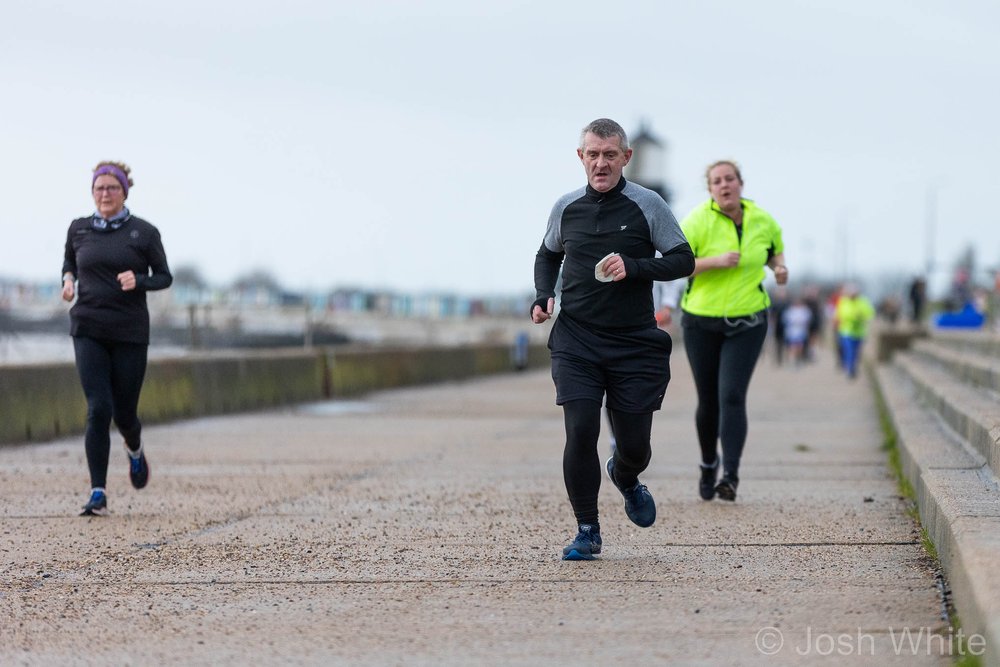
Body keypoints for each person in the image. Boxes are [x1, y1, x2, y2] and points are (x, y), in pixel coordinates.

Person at [532, 118, 694, 560]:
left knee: (636, 447)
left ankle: (625, 476)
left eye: (609, 154)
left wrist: (636, 266)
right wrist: (544, 295)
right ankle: (587, 529)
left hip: (634, 343)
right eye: (592, 154)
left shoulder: (648, 204)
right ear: (580, 158)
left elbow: (683, 259)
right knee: (580, 430)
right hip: (576, 339)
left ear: (627, 157)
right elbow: (547, 254)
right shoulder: (566, 208)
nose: (600, 163)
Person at [62, 161, 173, 516]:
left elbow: (164, 277)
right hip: (88, 327)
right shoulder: (79, 229)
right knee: (98, 409)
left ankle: (135, 449)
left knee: (125, 415)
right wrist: (67, 281)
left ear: (124, 191)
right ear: (92, 192)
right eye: (99, 188)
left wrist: (139, 280)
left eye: (111, 188)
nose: (104, 194)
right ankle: (98, 493)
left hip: (129, 332)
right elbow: (69, 263)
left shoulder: (144, 232)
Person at [678, 159, 788, 502]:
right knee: (708, 399)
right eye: (716, 182)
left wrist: (780, 268)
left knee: (732, 396)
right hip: (701, 321)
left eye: (729, 179)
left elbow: (773, 251)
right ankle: (709, 463)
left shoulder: (762, 219)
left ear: (740, 183)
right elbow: (677, 262)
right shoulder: (697, 220)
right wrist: (714, 262)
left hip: (748, 320)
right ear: (710, 189)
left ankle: (731, 475)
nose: (724, 185)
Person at [834, 283, 875, 379]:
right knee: (849, 350)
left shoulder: (863, 302)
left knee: (856, 352)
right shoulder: (843, 301)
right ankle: (850, 369)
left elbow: (870, 313)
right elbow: (839, 314)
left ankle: (853, 366)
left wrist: (861, 317)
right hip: (846, 331)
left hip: (859, 331)